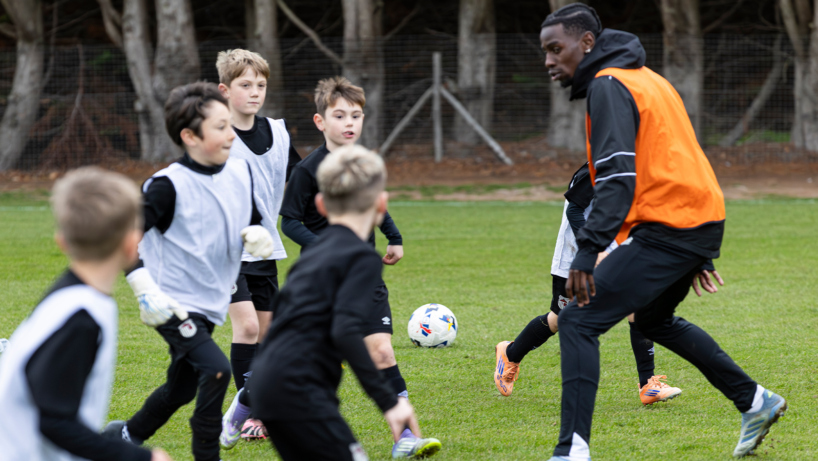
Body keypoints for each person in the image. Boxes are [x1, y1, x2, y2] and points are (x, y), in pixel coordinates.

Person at [538, 5, 786, 460]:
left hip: (671, 226)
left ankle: (570, 451)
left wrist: (586, 252)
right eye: (545, 51)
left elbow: (617, 179)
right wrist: (700, 248)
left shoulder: (610, 84)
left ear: (587, 43)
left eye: (556, 48)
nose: (549, 61)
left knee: (577, 321)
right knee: (653, 320)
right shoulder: (647, 78)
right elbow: (681, 157)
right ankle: (755, 401)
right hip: (696, 220)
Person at [102, 81, 276, 461]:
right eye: (221, 127)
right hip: (171, 304)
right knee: (216, 370)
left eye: (230, 125)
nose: (232, 134)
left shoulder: (240, 172)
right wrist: (144, 289)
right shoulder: (166, 186)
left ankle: (124, 437)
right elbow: (125, 237)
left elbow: (247, 218)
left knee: (180, 389)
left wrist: (256, 234)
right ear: (189, 136)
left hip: (211, 301)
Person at [248, 145, 440, 460]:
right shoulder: (361, 257)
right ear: (381, 204)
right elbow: (345, 330)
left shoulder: (309, 259)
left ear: (320, 205)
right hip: (300, 390)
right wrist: (389, 402)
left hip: (267, 386)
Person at [0, 167, 171, 461]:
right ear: (132, 244)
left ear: (62, 241)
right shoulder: (82, 317)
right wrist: (142, 458)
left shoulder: (71, 296)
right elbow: (53, 421)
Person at [494, 162, 682, 405]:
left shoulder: (637, 163)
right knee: (559, 318)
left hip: (615, 252)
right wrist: (594, 249)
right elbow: (574, 210)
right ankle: (510, 354)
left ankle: (648, 384)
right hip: (577, 255)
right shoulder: (600, 165)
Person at [216, 48, 303, 440]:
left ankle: (259, 410)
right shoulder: (216, 135)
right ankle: (248, 414)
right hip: (226, 251)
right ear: (225, 90)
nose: (254, 92)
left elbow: (301, 178)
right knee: (248, 326)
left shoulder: (278, 132)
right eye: (245, 85)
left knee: (267, 334)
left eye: (261, 85)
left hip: (265, 249)